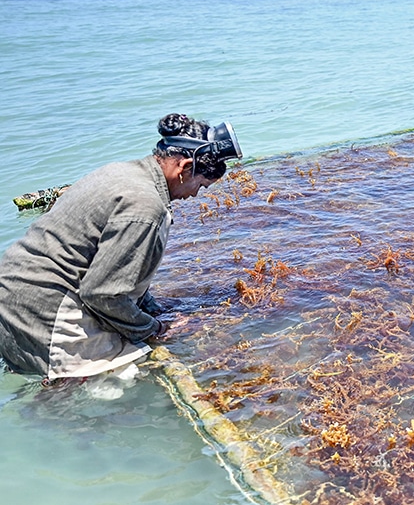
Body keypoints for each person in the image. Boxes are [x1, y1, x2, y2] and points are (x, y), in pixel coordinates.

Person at [0, 113, 242, 382]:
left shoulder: (121, 172)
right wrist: (154, 327)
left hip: (11, 297)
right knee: (121, 382)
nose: (195, 194)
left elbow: (110, 264)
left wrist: (152, 308)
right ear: (184, 168)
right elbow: (103, 295)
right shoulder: (146, 206)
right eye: (201, 184)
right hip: (45, 311)